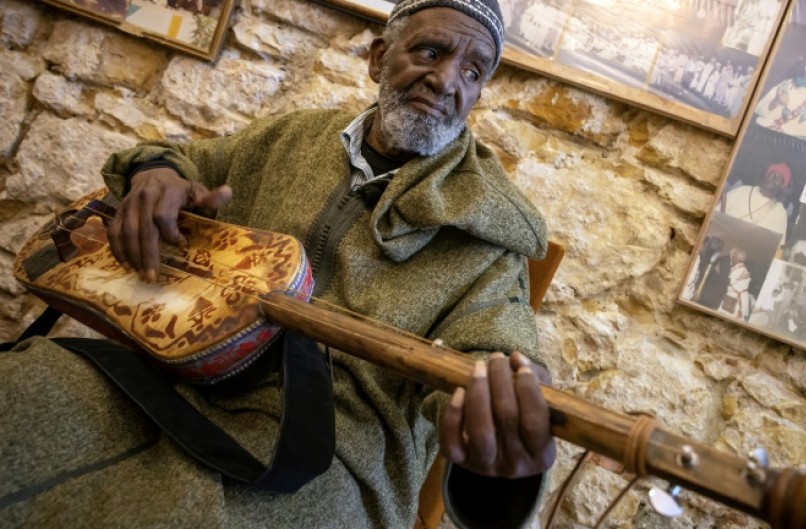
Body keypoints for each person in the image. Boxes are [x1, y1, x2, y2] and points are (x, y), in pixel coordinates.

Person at [0, 1, 557, 528]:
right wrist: (156, 175)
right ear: (378, 57)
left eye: (473, 71)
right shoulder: (296, 136)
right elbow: (189, 160)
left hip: (334, 452)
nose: (446, 80)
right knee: (25, 391)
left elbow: (494, 343)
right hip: (186, 374)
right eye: (431, 52)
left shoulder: (487, 228)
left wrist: (505, 398)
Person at [753, 51, 806, 141]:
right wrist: (776, 101)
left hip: (794, 141)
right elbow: (759, 109)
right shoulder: (785, 84)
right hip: (765, 132)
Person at [720, 162, 791, 240]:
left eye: (778, 177)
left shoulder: (780, 213)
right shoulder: (742, 191)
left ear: (782, 186)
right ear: (766, 176)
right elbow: (716, 213)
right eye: (772, 173)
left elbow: (777, 247)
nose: (773, 177)